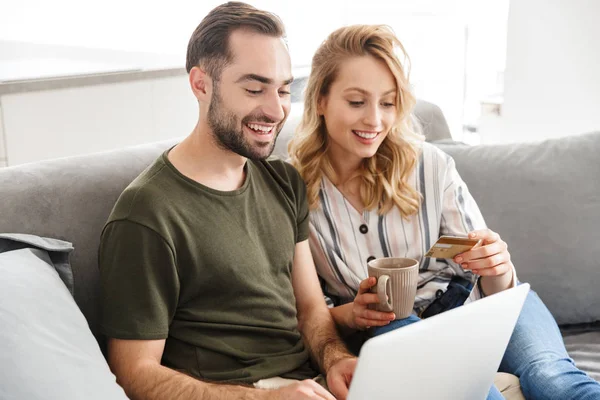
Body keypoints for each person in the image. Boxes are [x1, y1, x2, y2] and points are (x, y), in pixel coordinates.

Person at [288, 24, 600, 399]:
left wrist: (496, 266)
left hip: (482, 308)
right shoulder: (294, 192)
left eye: (387, 103)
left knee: (554, 380)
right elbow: (309, 311)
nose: (374, 120)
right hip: (397, 327)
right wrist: (354, 313)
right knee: (473, 392)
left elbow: (493, 286)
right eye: (357, 102)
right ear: (320, 100)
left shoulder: (429, 166)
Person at [98, 3, 357, 399]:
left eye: (284, 89)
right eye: (254, 89)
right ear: (201, 84)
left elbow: (310, 310)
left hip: (309, 386)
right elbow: (132, 372)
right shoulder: (146, 214)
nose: (275, 110)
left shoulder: (283, 180)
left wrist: (337, 359)